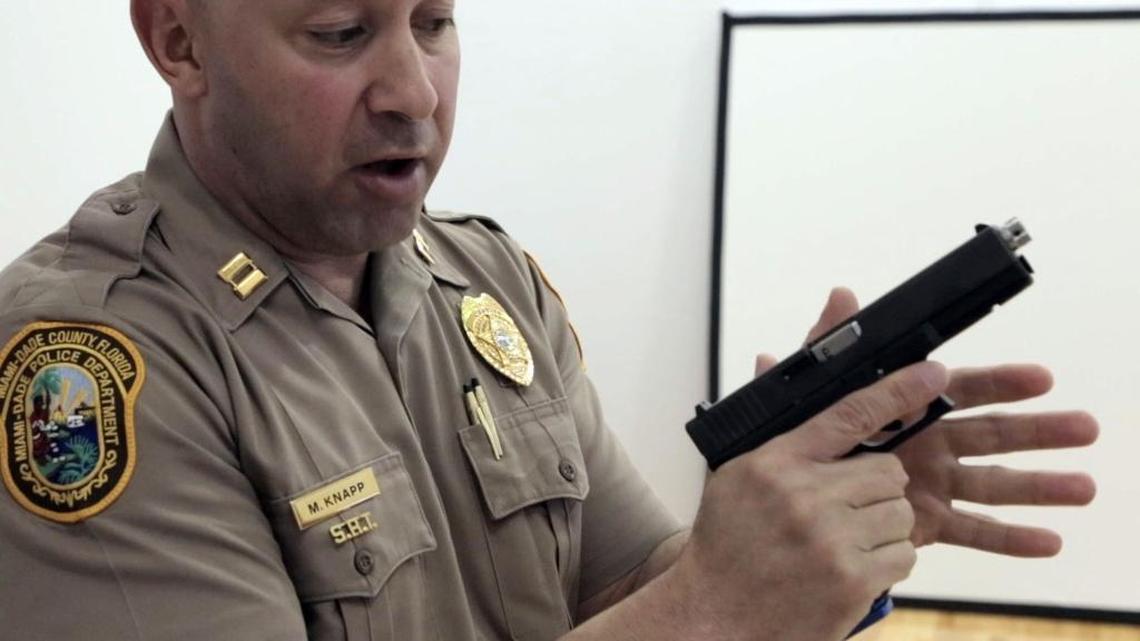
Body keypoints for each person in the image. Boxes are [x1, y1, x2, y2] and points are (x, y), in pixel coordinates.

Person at [0, 1, 1098, 639]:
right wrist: (714, 609)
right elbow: (685, 614)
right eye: (340, 30)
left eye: (435, 21)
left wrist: (808, 550)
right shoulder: (88, 368)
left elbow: (631, 586)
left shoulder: (485, 283)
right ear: (179, 38)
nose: (414, 92)